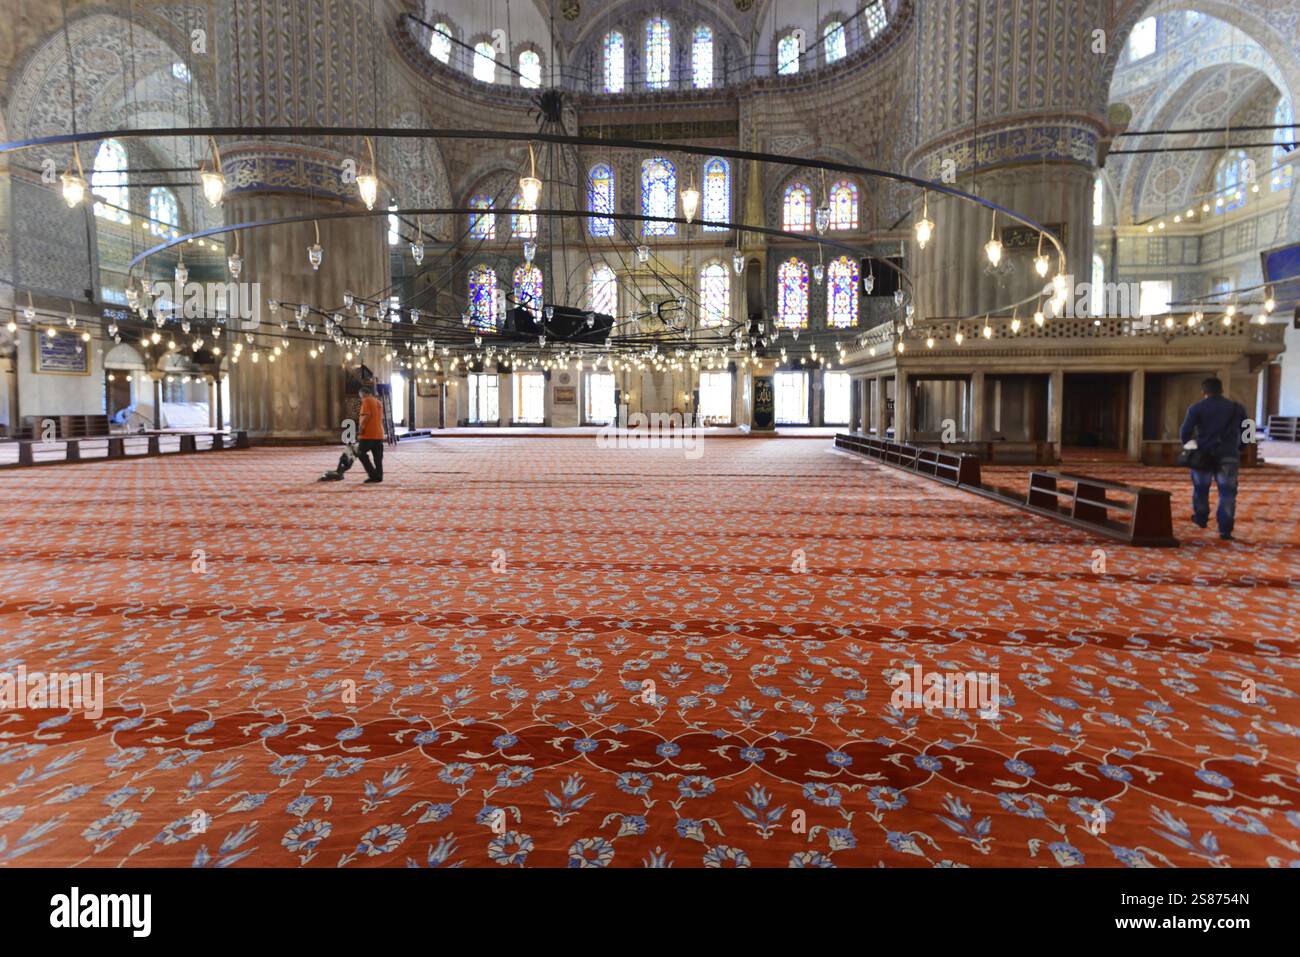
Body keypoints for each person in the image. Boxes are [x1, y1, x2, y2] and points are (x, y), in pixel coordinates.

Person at [1178, 377, 1248, 540]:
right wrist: (1241, 448)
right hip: (1229, 455)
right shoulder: (1237, 408)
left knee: (1201, 488)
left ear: (1203, 392)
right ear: (1222, 390)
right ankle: (1225, 529)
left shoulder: (1196, 408)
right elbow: (1248, 431)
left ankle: (1201, 518)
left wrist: (1191, 446)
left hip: (1203, 456)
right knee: (1227, 493)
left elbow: (1185, 433)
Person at [356, 385, 386, 484]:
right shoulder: (378, 402)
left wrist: (361, 428)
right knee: (377, 457)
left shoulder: (367, 400)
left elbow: (366, 415)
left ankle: (372, 475)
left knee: (360, 453)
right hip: (379, 433)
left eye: (360, 396)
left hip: (369, 434)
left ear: (363, 393)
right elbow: (381, 418)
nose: (360, 398)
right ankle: (379, 476)